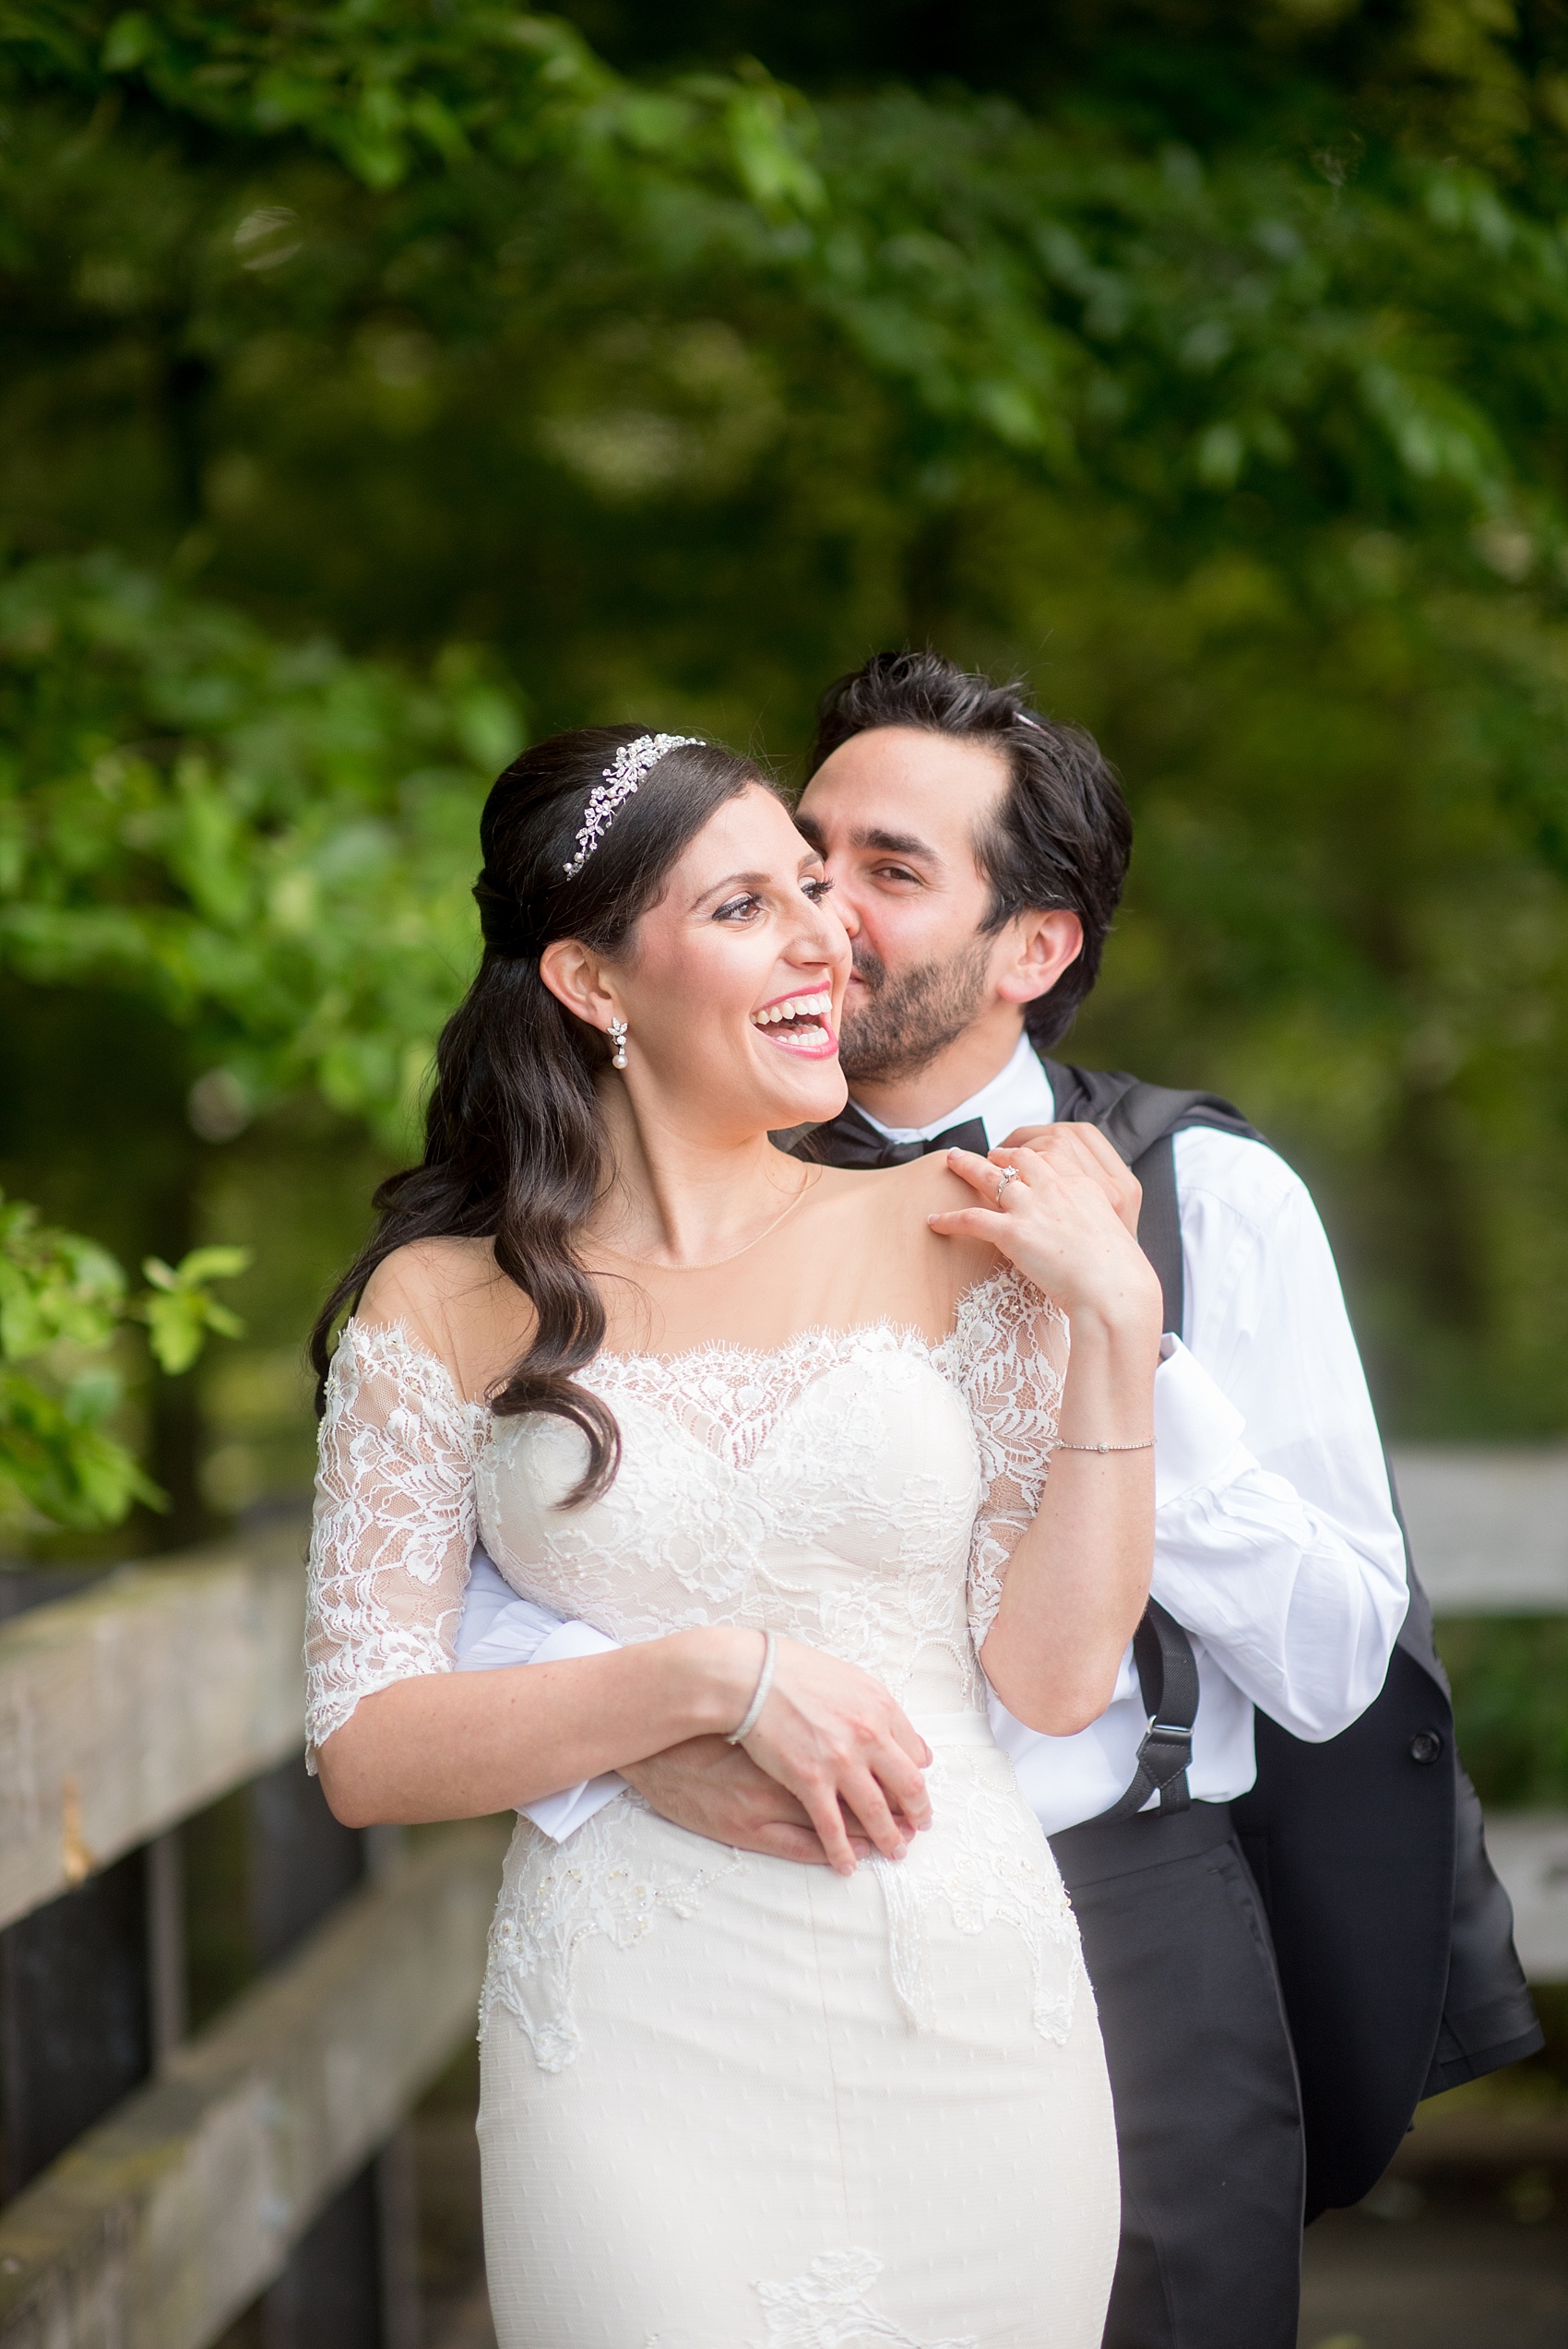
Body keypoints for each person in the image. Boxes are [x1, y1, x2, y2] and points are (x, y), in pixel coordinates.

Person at [457, 655, 1537, 2348]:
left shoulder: (1211, 1201)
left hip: (1119, 1933)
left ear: (1035, 950)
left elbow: (1336, 1660)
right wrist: (626, 1736)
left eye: (890, 872)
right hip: (719, 1944)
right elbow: (477, 1569)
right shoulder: (606, 1198)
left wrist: (1123, 1335)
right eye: (802, 862)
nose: (825, 915)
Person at [304, 724, 1165, 2345]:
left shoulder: (958, 1230)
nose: (827, 939)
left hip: (962, 2012)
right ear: (592, 981)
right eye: (749, 905)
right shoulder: (443, 1304)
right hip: (633, 2040)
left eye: (822, 896)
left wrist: (1116, 1320)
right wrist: (712, 1677)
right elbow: (369, 1748)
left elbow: (1054, 1682)